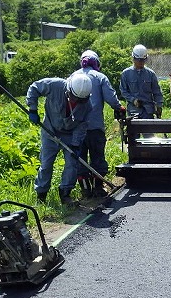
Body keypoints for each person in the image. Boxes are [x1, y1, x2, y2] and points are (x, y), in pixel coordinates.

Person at [26, 72, 93, 205]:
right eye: (73, 97)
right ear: (69, 89)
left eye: (79, 100)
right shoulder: (55, 85)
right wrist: (32, 109)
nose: (75, 101)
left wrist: (75, 144)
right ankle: (41, 196)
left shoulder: (87, 105)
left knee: (71, 164)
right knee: (46, 164)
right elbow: (34, 88)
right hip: (49, 131)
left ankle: (65, 194)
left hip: (70, 135)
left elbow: (82, 125)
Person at [71, 50, 125, 198]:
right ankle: (98, 188)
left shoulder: (73, 77)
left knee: (79, 157)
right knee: (97, 157)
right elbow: (111, 98)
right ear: (96, 62)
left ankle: (85, 190)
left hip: (76, 127)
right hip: (95, 126)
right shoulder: (100, 77)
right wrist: (119, 108)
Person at [120, 45, 163, 119]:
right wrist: (133, 100)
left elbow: (157, 92)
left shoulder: (151, 74)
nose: (141, 62)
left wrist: (159, 106)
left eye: (143, 60)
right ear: (133, 58)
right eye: (138, 60)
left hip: (148, 111)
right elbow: (123, 91)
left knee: (148, 130)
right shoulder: (126, 74)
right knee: (134, 130)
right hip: (133, 112)